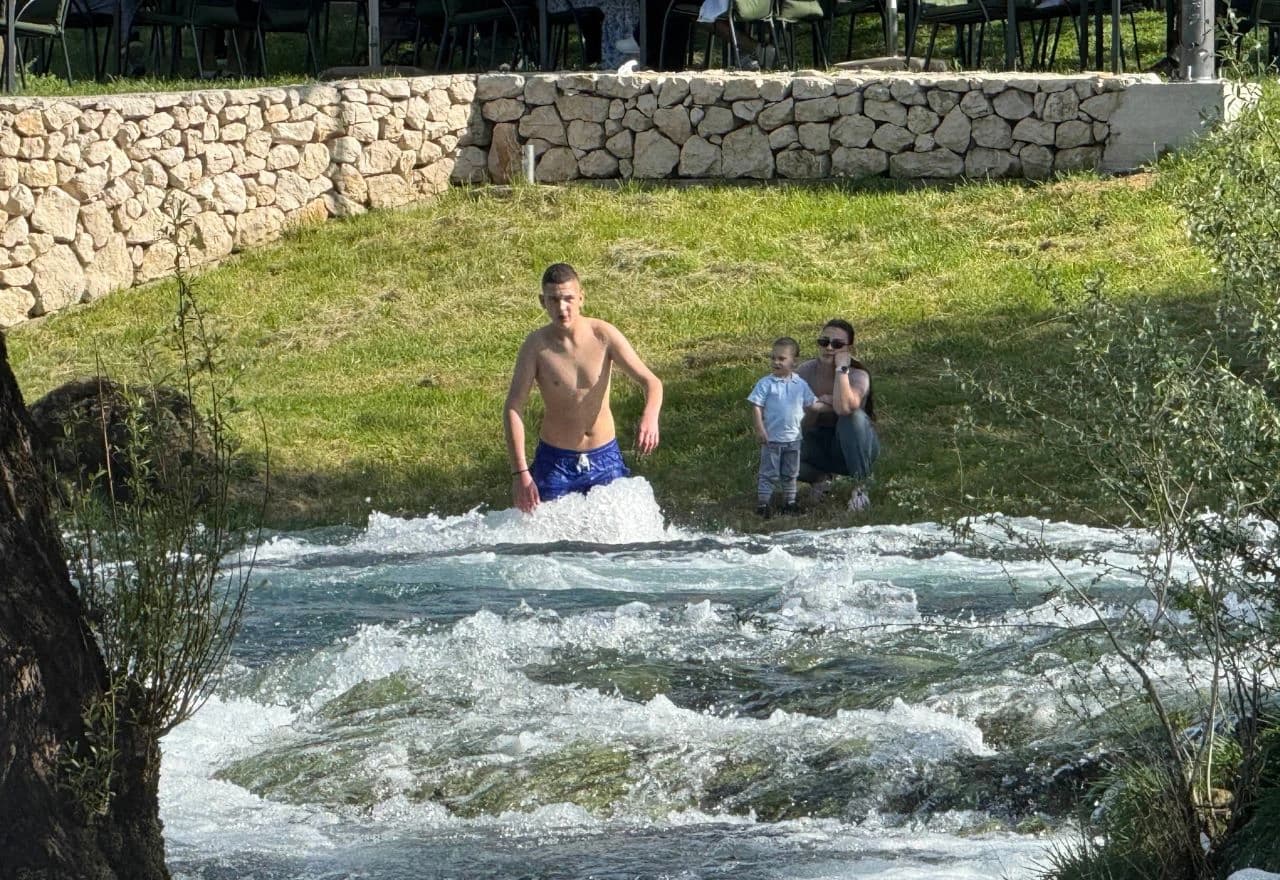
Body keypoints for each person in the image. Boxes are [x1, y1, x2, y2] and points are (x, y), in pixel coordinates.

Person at [504, 263, 663, 513]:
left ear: (581, 298)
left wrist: (650, 417)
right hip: (556, 461)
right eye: (554, 300)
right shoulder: (535, 346)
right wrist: (520, 472)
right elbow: (514, 407)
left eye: (568, 298)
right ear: (542, 301)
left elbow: (651, 382)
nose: (562, 308)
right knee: (548, 545)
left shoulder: (603, 335)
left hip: (605, 457)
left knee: (614, 541)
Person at [795, 318, 879, 512]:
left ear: (849, 349)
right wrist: (818, 408)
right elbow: (796, 419)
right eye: (824, 342)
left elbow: (845, 409)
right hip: (818, 446)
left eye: (838, 344)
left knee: (853, 417)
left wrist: (842, 370)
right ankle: (820, 480)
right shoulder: (804, 372)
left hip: (853, 450)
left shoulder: (858, 376)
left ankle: (861, 486)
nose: (829, 348)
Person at [748, 336, 817, 518]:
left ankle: (790, 502)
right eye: (773, 358)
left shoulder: (800, 384)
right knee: (768, 472)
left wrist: (832, 406)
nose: (776, 362)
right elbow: (756, 405)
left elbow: (813, 404)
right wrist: (760, 428)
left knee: (790, 473)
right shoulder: (766, 383)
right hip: (772, 438)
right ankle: (763, 504)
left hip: (793, 438)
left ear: (794, 361)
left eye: (781, 359)